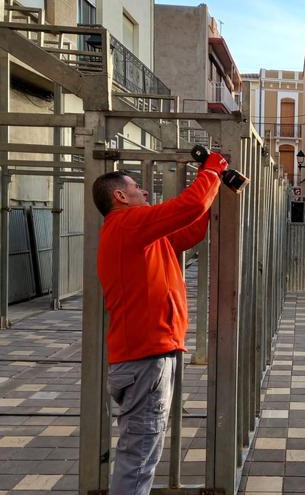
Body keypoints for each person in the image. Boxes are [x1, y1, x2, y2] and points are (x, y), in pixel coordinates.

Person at [92, 152, 226, 495]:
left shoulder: (144, 235)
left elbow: (191, 227)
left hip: (146, 355)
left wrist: (215, 191)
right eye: (137, 188)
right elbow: (188, 208)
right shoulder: (128, 223)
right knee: (139, 455)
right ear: (120, 196)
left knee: (142, 449)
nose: (145, 193)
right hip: (144, 358)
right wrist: (209, 171)